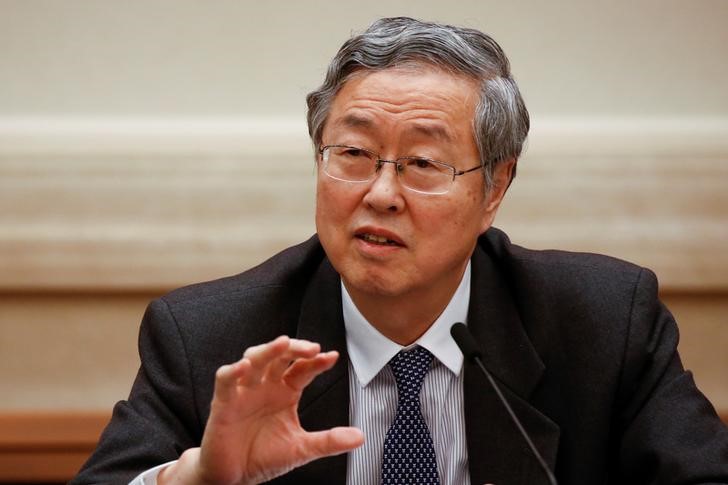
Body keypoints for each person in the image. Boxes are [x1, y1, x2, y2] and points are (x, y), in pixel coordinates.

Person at [73, 17, 728, 485]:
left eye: (421, 162)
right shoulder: (214, 338)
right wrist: (197, 480)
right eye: (353, 154)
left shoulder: (604, 323)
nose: (381, 193)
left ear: (494, 188)